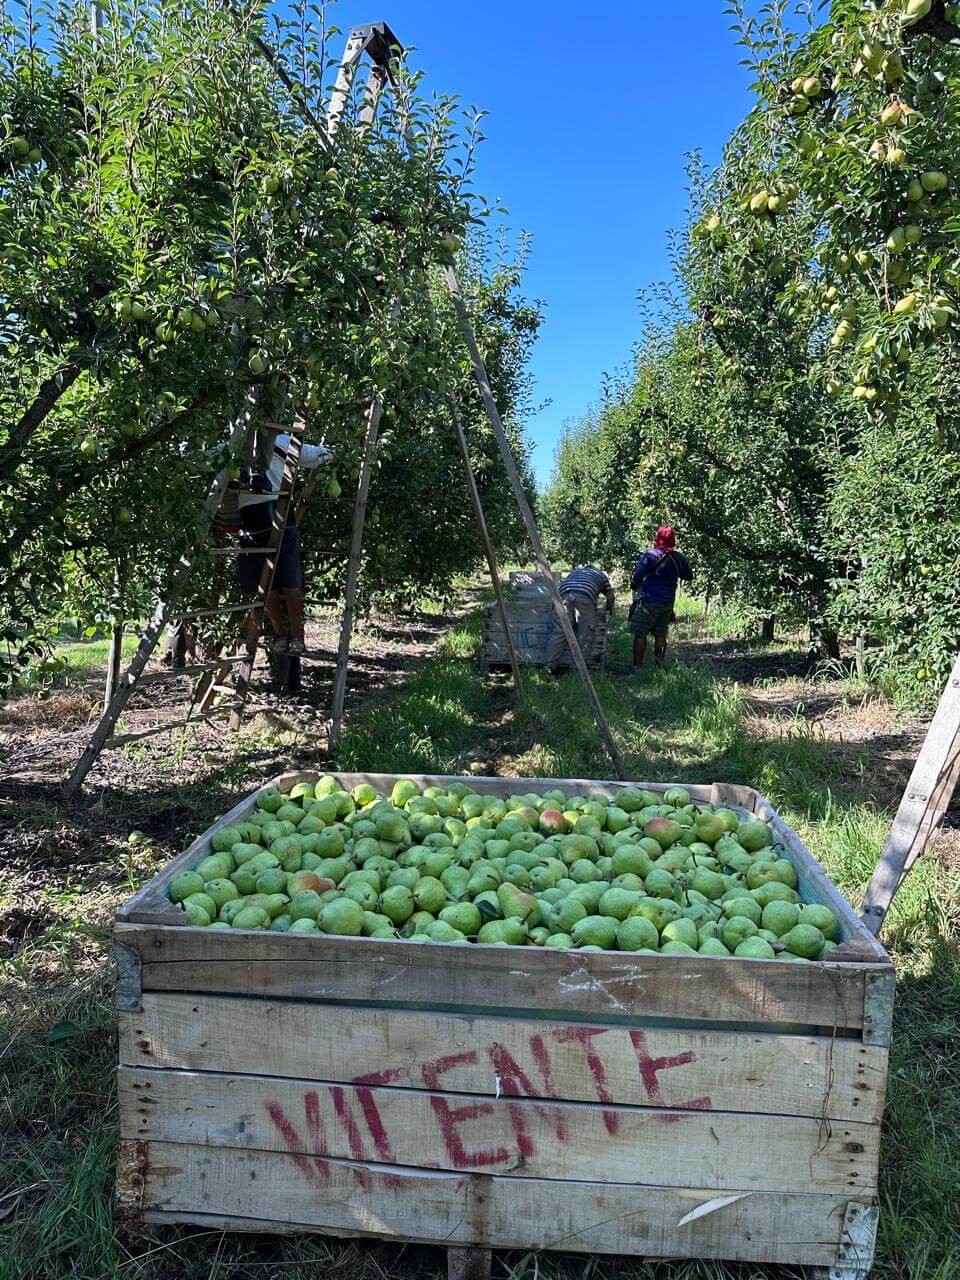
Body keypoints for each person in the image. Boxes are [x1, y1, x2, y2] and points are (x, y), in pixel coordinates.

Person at [237, 428, 332, 658]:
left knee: (265, 584)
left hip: (250, 517)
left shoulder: (239, 441)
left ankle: (281, 636)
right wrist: (337, 452)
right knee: (288, 580)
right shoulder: (281, 441)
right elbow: (317, 455)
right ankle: (296, 637)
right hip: (277, 511)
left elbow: (208, 458)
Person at [628, 527, 693, 672]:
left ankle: (636, 668)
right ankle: (659, 667)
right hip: (667, 602)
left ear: (657, 538)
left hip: (649, 601)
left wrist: (634, 585)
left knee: (640, 633)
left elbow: (637, 576)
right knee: (661, 634)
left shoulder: (650, 555)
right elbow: (689, 576)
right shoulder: (679, 558)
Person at [545, 565, 615, 673]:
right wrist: (609, 609)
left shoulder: (574, 573)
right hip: (584, 597)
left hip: (563, 597)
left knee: (559, 631)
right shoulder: (601, 575)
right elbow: (610, 596)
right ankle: (578, 669)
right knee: (585, 633)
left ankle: (549, 666)